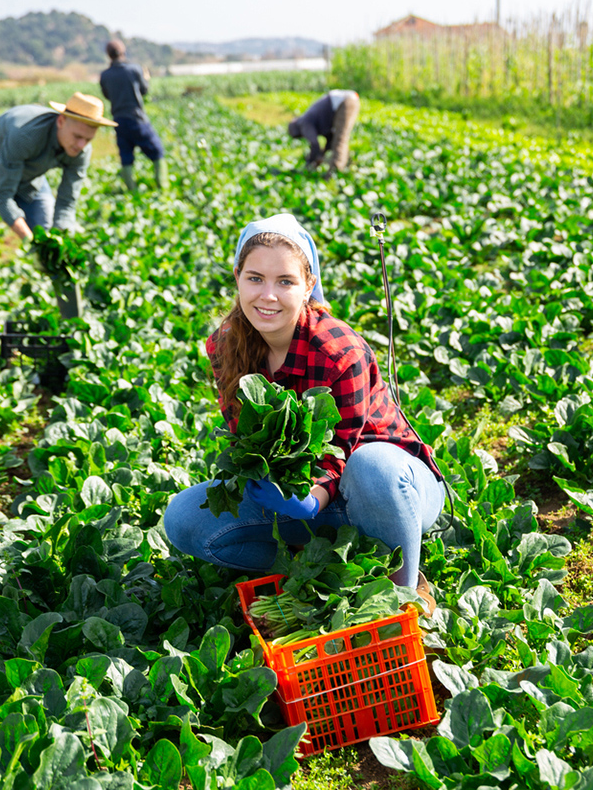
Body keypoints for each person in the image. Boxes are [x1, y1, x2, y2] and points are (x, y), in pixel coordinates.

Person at [162, 213, 444, 608]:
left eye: (286, 281)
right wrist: (265, 479)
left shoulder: (339, 351)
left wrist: (312, 498)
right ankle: (317, 565)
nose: (268, 296)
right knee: (183, 519)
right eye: (255, 278)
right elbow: (247, 439)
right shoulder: (225, 345)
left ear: (309, 284)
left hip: (390, 491)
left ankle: (405, 588)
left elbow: (340, 452)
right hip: (307, 499)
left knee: (371, 464)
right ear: (237, 277)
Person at [0, 92, 116, 358]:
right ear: (61, 121)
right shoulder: (24, 134)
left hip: (31, 183)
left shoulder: (81, 150)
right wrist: (31, 240)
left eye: (88, 139)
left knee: (60, 253)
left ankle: (75, 337)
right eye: (78, 137)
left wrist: (57, 239)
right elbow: (2, 197)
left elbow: (67, 203)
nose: (82, 144)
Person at [99, 39, 167, 195]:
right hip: (136, 118)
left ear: (109, 55)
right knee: (157, 151)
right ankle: (162, 187)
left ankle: (132, 192)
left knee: (126, 155)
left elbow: (107, 95)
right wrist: (147, 78)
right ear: (123, 52)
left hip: (118, 120)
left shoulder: (105, 75)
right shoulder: (135, 70)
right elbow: (143, 90)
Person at [286, 90, 360, 177]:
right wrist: (321, 155)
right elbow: (329, 140)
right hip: (346, 100)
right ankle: (347, 165)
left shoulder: (303, 123)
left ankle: (335, 173)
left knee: (340, 138)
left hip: (345, 101)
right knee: (338, 139)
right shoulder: (308, 121)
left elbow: (315, 144)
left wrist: (309, 162)